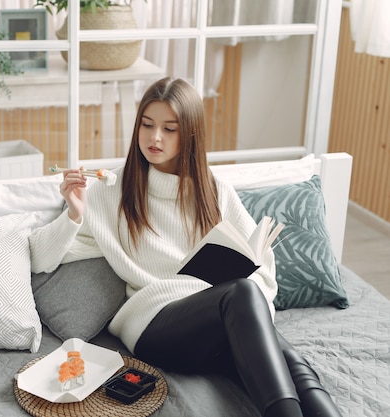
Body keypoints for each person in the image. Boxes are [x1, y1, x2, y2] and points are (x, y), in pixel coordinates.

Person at [29, 77, 342, 417]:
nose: (155, 137)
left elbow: (262, 263)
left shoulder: (213, 190)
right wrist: (74, 214)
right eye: (147, 125)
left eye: (169, 129)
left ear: (190, 133)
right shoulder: (109, 191)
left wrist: (255, 316)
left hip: (219, 319)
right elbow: (41, 258)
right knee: (240, 294)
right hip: (156, 325)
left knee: (292, 362)